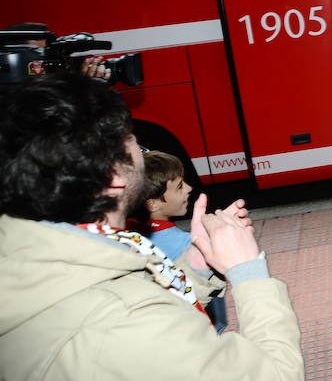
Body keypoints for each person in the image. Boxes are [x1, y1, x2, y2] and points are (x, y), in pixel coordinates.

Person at [0, 73, 304, 380]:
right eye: (133, 141)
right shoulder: (126, 321)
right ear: (112, 174)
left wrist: (195, 268)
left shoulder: (27, 254)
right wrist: (248, 272)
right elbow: (277, 375)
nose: (142, 153)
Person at [138, 150, 229, 334]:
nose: (188, 188)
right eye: (179, 186)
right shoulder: (185, 244)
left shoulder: (125, 235)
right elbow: (214, 315)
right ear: (152, 204)